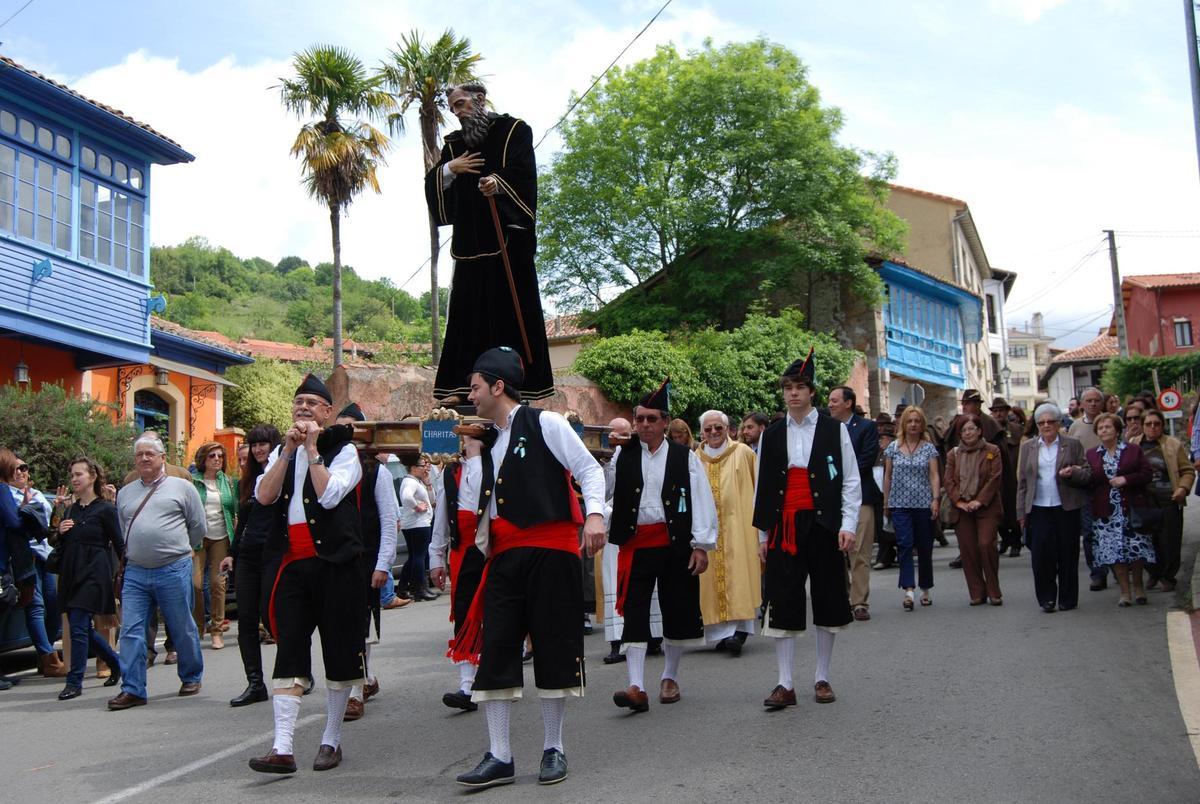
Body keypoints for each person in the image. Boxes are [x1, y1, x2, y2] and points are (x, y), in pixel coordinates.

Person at [450, 347, 606, 789]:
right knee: (496, 648)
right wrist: (474, 453)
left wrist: (595, 515)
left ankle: (554, 748)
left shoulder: (547, 423)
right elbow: (475, 506)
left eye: (476, 387)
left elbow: (589, 472)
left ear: (498, 386)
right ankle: (499, 755)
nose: (470, 396)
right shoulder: (489, 440)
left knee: (554, 649)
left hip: (550, 552)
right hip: (503, 556)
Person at [249, 373, 365, 774]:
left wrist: (313, 449)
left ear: (328, 413)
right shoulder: (284, 452)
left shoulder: (344, 450)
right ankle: (282, 748)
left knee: (339, 651)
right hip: (293, 566)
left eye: (312, 404)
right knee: (290, 650)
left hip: (336, 567)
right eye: (298, 402)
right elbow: (264, 496)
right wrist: (287, 453)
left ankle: (330, 740)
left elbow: (331, 495)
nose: (303, 409)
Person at [425, 82, 553, 403]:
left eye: (462, 104)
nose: (458, 113)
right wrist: (450, 169)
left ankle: (519, 385)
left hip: (508, 241)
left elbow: (524, 174)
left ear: (480, 99)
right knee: (466, 316)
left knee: (511, 312)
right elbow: (434, 186)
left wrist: (499, 184)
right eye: (453, 108)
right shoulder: (454, 146)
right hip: (470, 245)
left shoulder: (514, 131)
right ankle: (460, 386)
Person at [752, 349, 860, 711]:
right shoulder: (772, 434)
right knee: (783, 599)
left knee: (829, 596)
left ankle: (822, 676)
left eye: (800, 387)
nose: (793, 393)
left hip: (824, 522)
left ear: (811, 392)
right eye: (788, 388)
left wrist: (847, 524)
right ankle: (785, 683)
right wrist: (763, 536)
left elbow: (850, 481)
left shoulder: (835, 430)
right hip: (784, 526)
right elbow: (763, 488)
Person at [607, 385, 716, 715]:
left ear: (665, 422)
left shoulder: (685, 457)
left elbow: (701, 500)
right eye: (638, 419)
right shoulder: (623, 455)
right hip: (636, 544)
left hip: (675, 544)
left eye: (650, 419)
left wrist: (701, 545)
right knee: (635, 612)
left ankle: (669, 677)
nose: (643, 425)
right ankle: (636, 686)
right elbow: (607, 490)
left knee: (676, 609)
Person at [109, 433, 206, 711]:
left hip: (173, 567)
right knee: (130, 631)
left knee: (181, 626)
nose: (143, 459)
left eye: (149, 453)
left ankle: (190, 676)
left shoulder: (182, 487)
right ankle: (133, 689)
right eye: (139, 454)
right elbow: (124, 528)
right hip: (137, 572)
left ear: (163, 458)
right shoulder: (126, 492)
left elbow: (197, 526)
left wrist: (179, 548)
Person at [334, 402, 401, 722]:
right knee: (340, 625)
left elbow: (389, 521)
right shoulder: (328, 466)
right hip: (335, 559)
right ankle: (367, 678)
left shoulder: (378, 472)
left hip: (366, 559)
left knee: (360, 626)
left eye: (352, 428)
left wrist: (383, 565)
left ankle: (355, 693)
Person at [218, 424, 281, 708]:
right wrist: (232, 552)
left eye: (263, 444)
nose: (257, 449)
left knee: (273, 617)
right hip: (247, 556)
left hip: (274, 553)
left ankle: (296, 672)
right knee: (245, 620)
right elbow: (242, 522)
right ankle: (255, 683)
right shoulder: (246, 480)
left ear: (274, 445)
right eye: (253, 444)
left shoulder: (283, 474)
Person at [55, 457, 123, 700]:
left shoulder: (106, 509)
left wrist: (123, 573)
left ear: (92, 477)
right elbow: (60, 542)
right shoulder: (71, 508)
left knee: (79, 624)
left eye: (78, 474)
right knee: (80, 626)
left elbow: (119, 543)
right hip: (72, 571)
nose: (74, 479)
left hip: (95, 572)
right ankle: (115, 662)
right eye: (72, 475)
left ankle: (75, 681)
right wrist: (60, 530)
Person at [599, 417, 663, 664]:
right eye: (614, 435)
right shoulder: (613, 457)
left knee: (649, 584)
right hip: (619, 523)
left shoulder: (646, 453)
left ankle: (654, 635)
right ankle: (618, 640)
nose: (619, 439)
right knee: (616, 581)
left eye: (624, 434)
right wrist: (604, 465)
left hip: (646, 526)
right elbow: (607, 491)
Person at [695, 410, 759, 652]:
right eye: (708, 429)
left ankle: (739, 632)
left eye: (718, 428)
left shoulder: (743, 453)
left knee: (739, 575)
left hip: (739, 527)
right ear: (701, 432)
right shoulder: (695, 458)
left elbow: (757, 488)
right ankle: (721, 634)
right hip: (707, 529)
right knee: (709, 578)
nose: (713, 433)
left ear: (729, 430)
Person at [1074, 413, 1153, 607]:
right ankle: (1125, 592)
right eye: (1100, 428)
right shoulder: (1092, 454)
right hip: (1106, 512)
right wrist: (1075, 473)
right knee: (1114, 553)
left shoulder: (1133, 450)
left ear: (1117, 430)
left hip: (1131, 508)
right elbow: (1090, 479)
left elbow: (1147, 473)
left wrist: (1126, 479)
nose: (1104, 430)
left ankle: (1138, 587)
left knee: (1135, 550)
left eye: (1108, 427)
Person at [1016, 402, 1089, 613]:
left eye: (1050, 422)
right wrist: (1021, 513)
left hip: (1065, 506)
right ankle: (1046, 598)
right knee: (1040, 555)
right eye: (1042, 422)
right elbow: (1022, 482)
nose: (1046, 425)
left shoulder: (1072, 444)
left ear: (1058, 423)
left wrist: (1073, 472)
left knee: (1068, 553)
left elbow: (1086, 473)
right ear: (1037, 425)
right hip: (1038, 507)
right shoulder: (1028, 447)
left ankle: (1068, 598)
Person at [430, 439, 485, 712]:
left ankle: (496, 675)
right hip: (462, 551)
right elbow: (441, 514)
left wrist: (475, 456)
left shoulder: (492, 461)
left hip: (492, 547)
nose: (465, 441)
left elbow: (478, 500)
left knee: (498, 613)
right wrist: (436, 558)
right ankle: (467, 685)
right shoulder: (449, 472)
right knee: (464, 613)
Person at [5, 454, 63, 677]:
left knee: (54, 603)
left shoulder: (37, 494)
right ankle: (48, 657)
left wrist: (56, 507)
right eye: (15, 469)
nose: (20, 472)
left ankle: (45, 654)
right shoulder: (6, 496)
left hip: (44, 555)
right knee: (35, 605)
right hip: (23, 556)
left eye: (24, 468)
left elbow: (47, 528)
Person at [827, 386, 880, 621]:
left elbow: (866, 459)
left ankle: (859, 602)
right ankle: (842, 597)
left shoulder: (866, 427)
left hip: (862, 498)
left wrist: (842, 477)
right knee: (836, 553)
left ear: (848, 403)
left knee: (860, 551)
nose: (830, 404)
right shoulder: (826, 429)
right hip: (832, 500)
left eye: (834, 400)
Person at [1130, 409, 1194, 594]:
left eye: (1156, 424)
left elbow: (1187, 471)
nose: (1152, 427)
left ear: (1162, 425)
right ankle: (1154, 573)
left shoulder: (1173, 444)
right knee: (1147, 539)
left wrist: (1183, 488)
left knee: (1169, 541)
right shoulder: (1134, 445)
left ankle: (1168, 577)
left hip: (1169, 499)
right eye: (1148, 424)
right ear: (1142, 426)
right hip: (1144, 500)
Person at [883, 406, 940, 611]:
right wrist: (886, 502)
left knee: (925, 547)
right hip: (899, 504)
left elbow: (934, 475)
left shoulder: (928, 448)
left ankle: (925, 587)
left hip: (923, 504)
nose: (913, 424)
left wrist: (935, 499)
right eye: (910, 421)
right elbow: (888, 476)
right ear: (903, 424)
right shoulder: (892, 448)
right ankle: (908, 589)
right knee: (905, 545)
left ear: (922, 424)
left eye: (917, 421)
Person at [945, 415, 1004, 605]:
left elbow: (995, 478)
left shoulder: (992, 450)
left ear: (979, 431)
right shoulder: (953, 454)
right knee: (968, 550)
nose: (968, 433)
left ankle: (994, 590)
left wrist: (979, 500)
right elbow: (949, 481)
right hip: (962, 509)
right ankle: (977, 592)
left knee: (986, 545)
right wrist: (959, 501)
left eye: (971, 429)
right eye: (964, 430)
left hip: (986, 507)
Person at [190, 442, 236, 650]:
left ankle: (217, 630)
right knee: (195, 584)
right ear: (203, 460)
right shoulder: (193, 482)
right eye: (212, 456)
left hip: (221, 536)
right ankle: (199, 627)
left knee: (218, 584)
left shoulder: (227, 481)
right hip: (198, 538)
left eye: (220, 456)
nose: (217, 459)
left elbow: (234, 508)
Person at [1068, 387, 1108, 591]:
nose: (1093, 404)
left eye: (1096, 400)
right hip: (1085, 486)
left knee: (1111, 530)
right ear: (1082, 404)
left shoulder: (1109, 423)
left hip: (1109, 485)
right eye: (1089, 401)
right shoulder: (1074, 427)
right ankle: (1097, 573)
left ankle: (1118, 566)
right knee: (1090, 532)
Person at [397, 455, 437, 602]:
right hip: (418, 523)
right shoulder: (410, 482)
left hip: (415, 523)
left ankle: (403, 587)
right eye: (422, 466)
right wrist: (416, 506)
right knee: (419, 556)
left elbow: (432, 500)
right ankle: (419, 588)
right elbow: (406, 497)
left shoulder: (415, 481)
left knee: (414, 556)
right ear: (413, 468)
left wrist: (428, 484)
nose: (425, 468)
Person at [989, 397, 1023, 558]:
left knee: (1014, 510)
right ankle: (1006, 539)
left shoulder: (1016, 429)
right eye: (995, 411)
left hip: (1014, 475)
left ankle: (1016, 542)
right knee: (998, 511)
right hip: (997, 476)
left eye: (1001, 410)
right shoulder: (989, 429)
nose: (998, 414)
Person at [871, 414, 897, 570]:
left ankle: (892, 554)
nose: (881, 441)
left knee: (892, 527)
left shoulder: (894, 453)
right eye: (880, 438)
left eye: (884, 438)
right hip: (879, 495)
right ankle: (885, 555)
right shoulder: (877, 454)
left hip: (893, 495)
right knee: (882, 528)